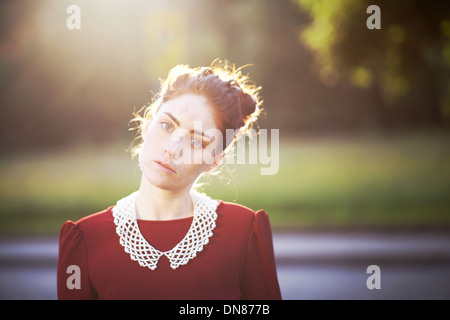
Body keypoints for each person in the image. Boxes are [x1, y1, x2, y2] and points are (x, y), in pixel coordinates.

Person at [57, 60, 282, 300]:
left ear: (216, 158)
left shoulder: (245, 232)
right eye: (166, 125)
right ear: (147, 123)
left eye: (197, 141)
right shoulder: (85, 239)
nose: (173, 149)